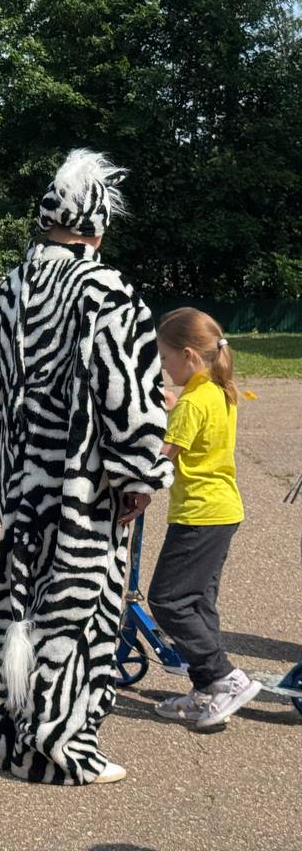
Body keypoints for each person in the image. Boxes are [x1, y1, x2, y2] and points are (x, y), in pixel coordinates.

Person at [0, 149, 172, 785]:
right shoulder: (106, 292)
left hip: (22, 483)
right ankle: (61, 749)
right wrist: (138, 476)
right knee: (78, 609)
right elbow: (128, 395)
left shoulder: (9, 290)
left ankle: (14, 738)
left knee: (20, 599)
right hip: (83, 487)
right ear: (97, 227)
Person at [150, 308, 261, 728]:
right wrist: (175, 405)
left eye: (166, 358)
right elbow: (195, 428)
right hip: (222, 511)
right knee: (198, 603)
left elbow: (163, 459)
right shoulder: (218, 390)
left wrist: (130, 488)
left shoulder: (193, 402)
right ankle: (207, 690)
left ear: (189, 355)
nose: (164, 367)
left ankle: (224, 676)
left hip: (198, 515)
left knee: (168, 600)